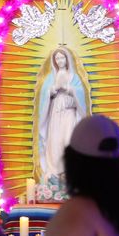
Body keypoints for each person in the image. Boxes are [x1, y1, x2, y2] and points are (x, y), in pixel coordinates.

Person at [35, 47, 90, 181]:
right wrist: (52, 90)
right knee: (55, 140)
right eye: (57, 58)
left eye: (62, 57)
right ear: (54, 61)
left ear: (67, 59)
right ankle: (55, 172)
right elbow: (44, 94)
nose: (60, 61)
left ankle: (69, 171)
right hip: (55, 113)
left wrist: (69, 89)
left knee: (68, 139)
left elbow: (81, 93)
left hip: (69, 112)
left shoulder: (74, 77)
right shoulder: (50, 78)